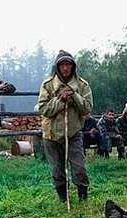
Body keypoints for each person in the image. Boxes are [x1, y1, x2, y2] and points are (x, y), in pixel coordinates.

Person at [37, 50, 93, 202]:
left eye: (68, 64)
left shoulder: (82, 85)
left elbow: (87, 108)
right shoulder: (47, 85)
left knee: (79, 167)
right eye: (62, 65)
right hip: (51, 135)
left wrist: (74, 96)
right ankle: (63, 199)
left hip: (73, 133)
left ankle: (83, 198)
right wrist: (60, 100)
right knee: (57, 170)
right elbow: (43, 109)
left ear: (73, 66)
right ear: (57, 67)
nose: (65, 68)